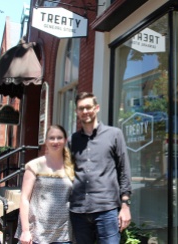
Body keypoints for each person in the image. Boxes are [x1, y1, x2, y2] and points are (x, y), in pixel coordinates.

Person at [69, 92, 132, 244]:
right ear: (77, 112)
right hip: (78, 211)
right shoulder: (72, 140)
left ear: (96, 108)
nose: (85, 111)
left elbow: (124, 170)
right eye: (81, 108)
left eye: (88, 107)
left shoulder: (114, 135)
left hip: (107, 210)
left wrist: (125, 206)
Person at [15, 125, 75, 244]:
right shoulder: (34, 166)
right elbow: (24, 198)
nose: (55, 141)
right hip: (37, 234)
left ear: (65, 140)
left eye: (59, 138)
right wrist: (25, 230)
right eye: (51, 138)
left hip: (64, 234)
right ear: (46, 141)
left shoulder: (71, 167)